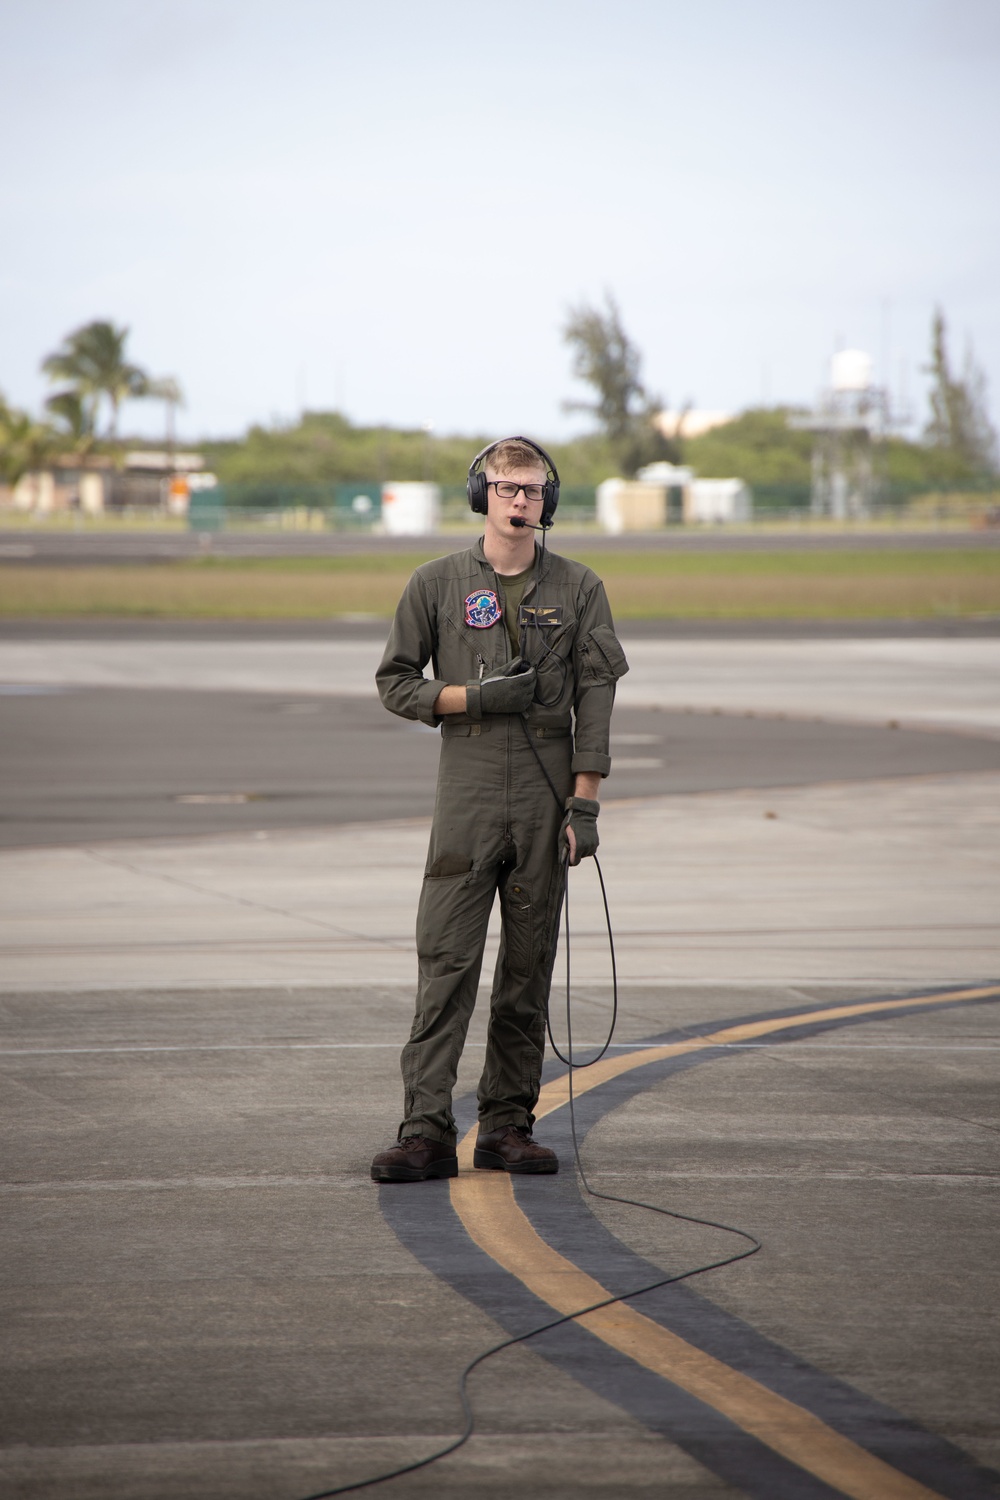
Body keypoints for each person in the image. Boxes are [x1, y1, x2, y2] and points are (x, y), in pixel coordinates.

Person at [370, 436, 628, 1183]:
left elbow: (597, 701)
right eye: (506, 487)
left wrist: (587, 807)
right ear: (480, 495)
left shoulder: (579, 589)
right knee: (446, 960)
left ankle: (508, 1124)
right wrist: (470, 698)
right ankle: (422, 1129)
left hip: (548, 790)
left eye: (533, 489)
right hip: (470, 786)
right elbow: (394, 682)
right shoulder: (436, 583)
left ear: (550, 501)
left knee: (528, 967)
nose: (520, 500)